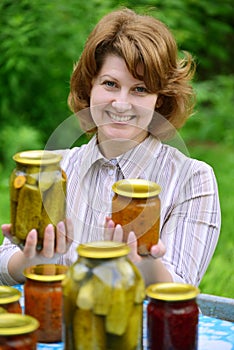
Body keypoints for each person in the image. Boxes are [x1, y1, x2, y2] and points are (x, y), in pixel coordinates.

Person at [0, 8, 220, 287]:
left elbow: (182, 287)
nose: (120, 103)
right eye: (110, 84)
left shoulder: (192, 178)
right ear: (89, 86)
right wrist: (31, 259)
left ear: (161, 100)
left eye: (140, 89)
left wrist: (146, 266)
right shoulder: (52, 171)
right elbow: (6, 263)